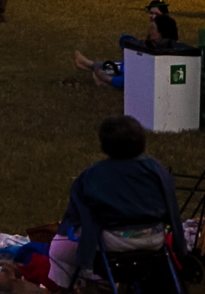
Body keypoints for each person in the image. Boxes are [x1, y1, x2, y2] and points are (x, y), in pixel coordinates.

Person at [42, 116, 181, 288]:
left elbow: (75, 217)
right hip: (155, 240)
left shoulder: (93, 176)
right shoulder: (156, 169)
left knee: (58, 249)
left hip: (113, 244)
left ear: (104, 144)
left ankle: (67, 289)